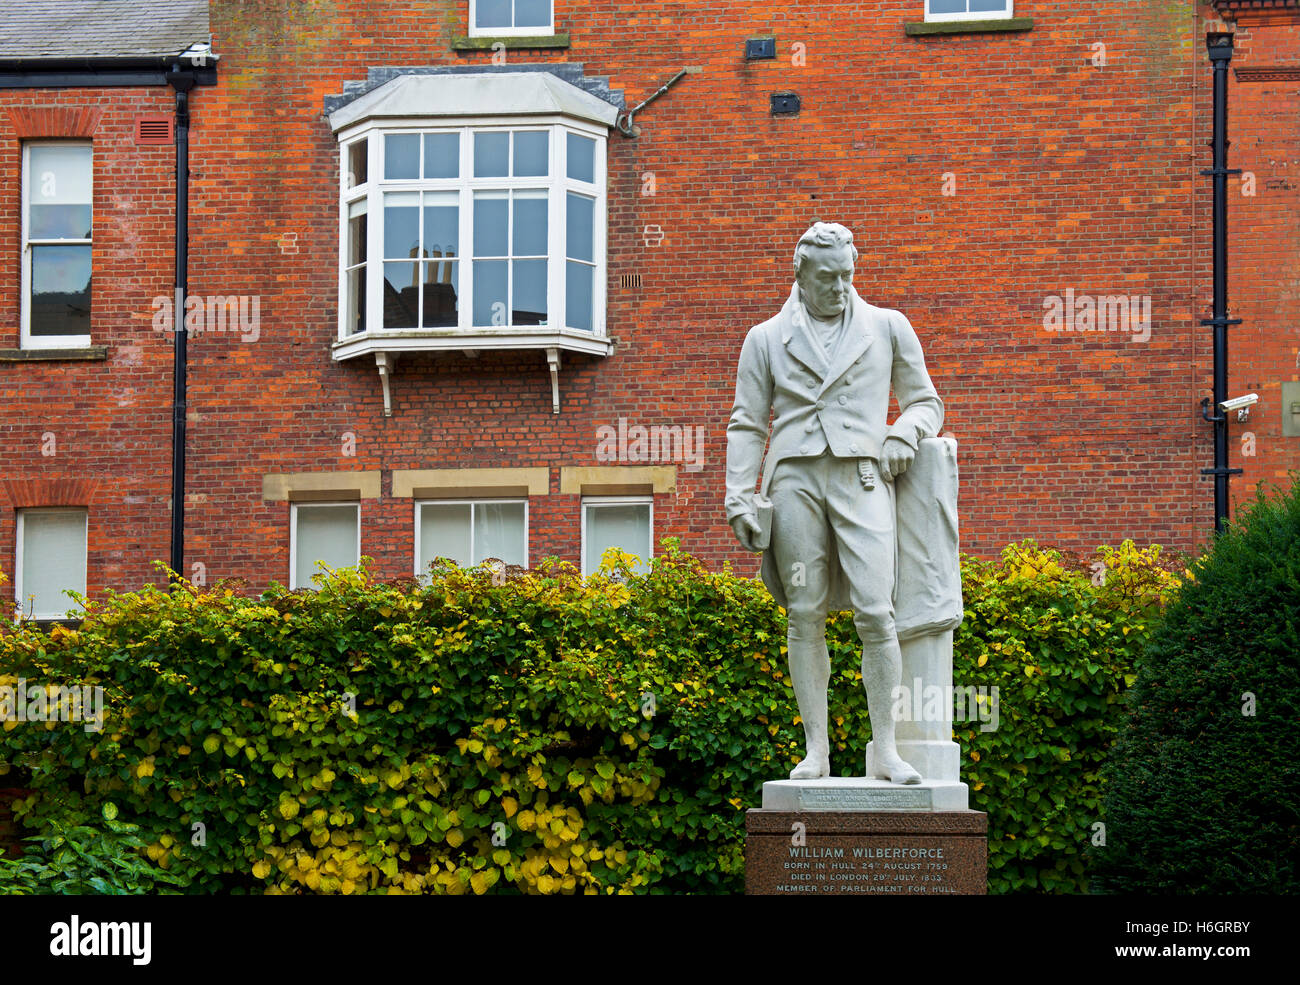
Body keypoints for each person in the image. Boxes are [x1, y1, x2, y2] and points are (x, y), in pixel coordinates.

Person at [725, 222, 944, 782]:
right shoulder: (765, 338)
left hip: (862, 476)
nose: (840, 287)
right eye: (827, 277)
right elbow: (748, 425)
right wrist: (739, 499)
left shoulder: (888, 327)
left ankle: (887, 751)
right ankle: (816, 751)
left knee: (877, 611)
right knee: (804, 614)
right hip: (794, 478)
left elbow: (926, 403)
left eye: (848, 274)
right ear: (800, 275)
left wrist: (903, 432)